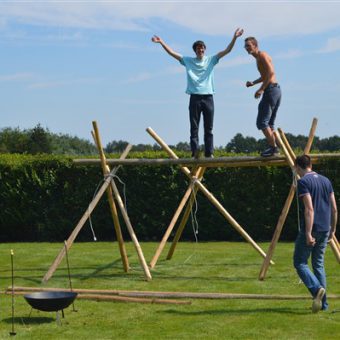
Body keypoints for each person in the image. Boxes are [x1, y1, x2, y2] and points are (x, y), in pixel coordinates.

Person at [152, 28, 244, 158]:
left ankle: (209, 153)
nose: (200, 50)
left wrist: (234, 37)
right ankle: (195, 152)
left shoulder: (211, 60)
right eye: (198, 48)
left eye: (202, 48)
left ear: (204, 50)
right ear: (195, 50)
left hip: (208, 97)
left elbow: (227, 51)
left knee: (209, 128)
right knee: (194, 127)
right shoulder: (188, 61)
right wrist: (161, 42)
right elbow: (172, 53)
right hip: (194, 97)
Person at [294, 154, 338, 313]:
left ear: (298, 167)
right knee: (318, 264)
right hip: (325, 228)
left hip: (312, 228)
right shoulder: (326, 181)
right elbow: (334, 208)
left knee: (299, 263)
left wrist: (307, 233)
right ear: (310, 165)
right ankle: (324, 305)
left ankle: (317, 288)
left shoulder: (303, 182)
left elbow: (309, 209)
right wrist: (333, 229)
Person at [244, 37, 282, 157]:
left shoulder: (262, 55)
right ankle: (278, 147)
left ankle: (273, 148)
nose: (246, 48)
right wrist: (253, 83)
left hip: (271, 90)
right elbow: (265, 75)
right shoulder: (258, 58)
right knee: (269, 124)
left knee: (262, 122)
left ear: (255, 45)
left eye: (248, 46)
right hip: (275, 90)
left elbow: (271, 73)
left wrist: (261, 89)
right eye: (245, 46)